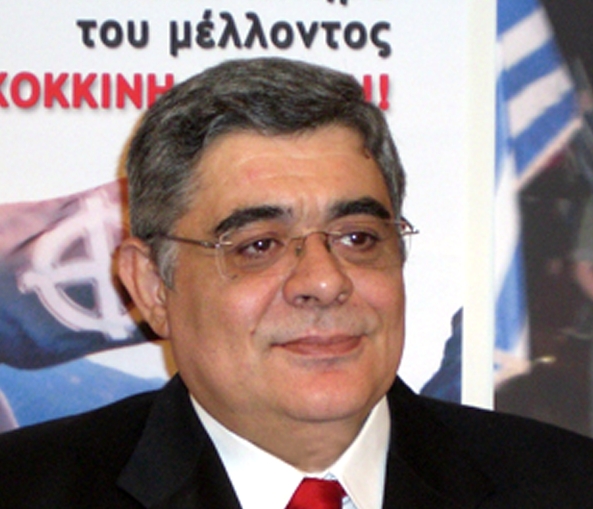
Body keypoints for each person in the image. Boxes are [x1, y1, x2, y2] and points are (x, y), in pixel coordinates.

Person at [1, 57, 593, 508]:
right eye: (258, 246)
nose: (325, 282)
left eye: (358, 237)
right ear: (153, 287)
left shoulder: (565, 485)